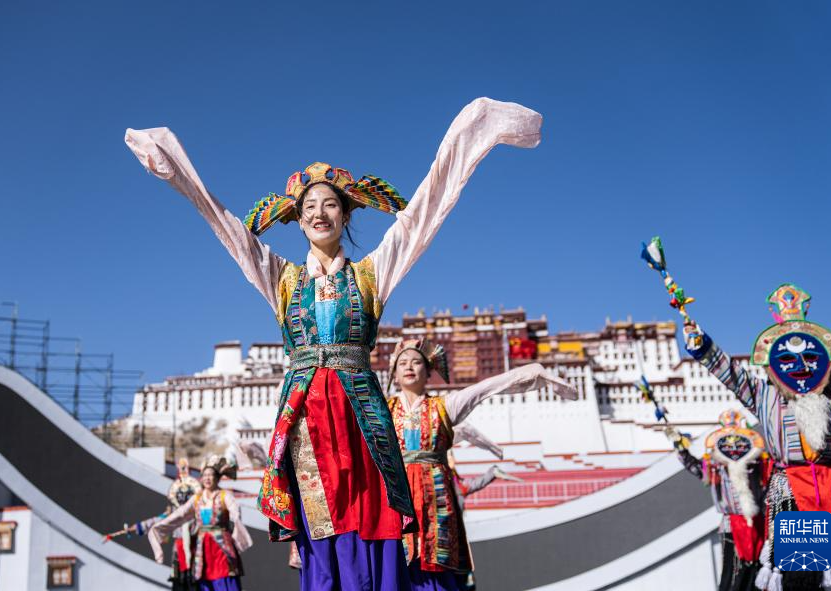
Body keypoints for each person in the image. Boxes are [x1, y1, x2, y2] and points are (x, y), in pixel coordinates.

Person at [125, 97, 543, 589]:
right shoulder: (281, 278)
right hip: (307, 416)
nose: (319, 213)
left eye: (329, 205)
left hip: (361, 414)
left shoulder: (370, 274)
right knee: (320, 527)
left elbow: (421, 216)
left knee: (372, 521)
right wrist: (179, 174)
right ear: (298, 219)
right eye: (309, 207)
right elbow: (229, 229)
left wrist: (473, 135)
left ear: (346, 214)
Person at [683, 284, 831, 590]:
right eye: (788, 359)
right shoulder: (764, 395)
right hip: (794, 491)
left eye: (811, 357)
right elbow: (732, 374)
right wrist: (704, 346)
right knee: (803, 579)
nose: (801, 366)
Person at [387, 339, 575, 590]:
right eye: (402, 363)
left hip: (435, 495)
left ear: (429, 370)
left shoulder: (444, 406)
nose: (409, 367)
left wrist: (530, 371)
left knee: (437, 561)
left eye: (416, 362)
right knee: (397, 560)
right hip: (398, 495)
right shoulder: (384, 408)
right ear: (394, 373)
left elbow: (485, 388)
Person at [665, 410, 770, 591]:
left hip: (758, 523)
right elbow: (696, 468)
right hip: (731, 524)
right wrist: (680, 447)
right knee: (733, 574)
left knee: (758, 574)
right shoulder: (715, 465)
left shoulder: (758, 462)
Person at [148, 456, 252, 591]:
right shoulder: (197, 498)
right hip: (203, 548)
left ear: (217, 478)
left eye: (210, 475)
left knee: (225, 578)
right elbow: (180, 514)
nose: (207, 478)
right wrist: (159, 528)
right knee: (204, 581)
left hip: (221, 547)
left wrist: (236, 528)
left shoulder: (224, 495)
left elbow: (235, 513)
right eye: (205, 475)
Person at [105, 457, 201, 590]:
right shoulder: (172, 513)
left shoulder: (199, 511)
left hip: (197, 551)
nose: (183, 497)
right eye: (180, 494)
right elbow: (155, 522)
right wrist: (135, 528)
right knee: (179, 582)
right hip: (179, 554)